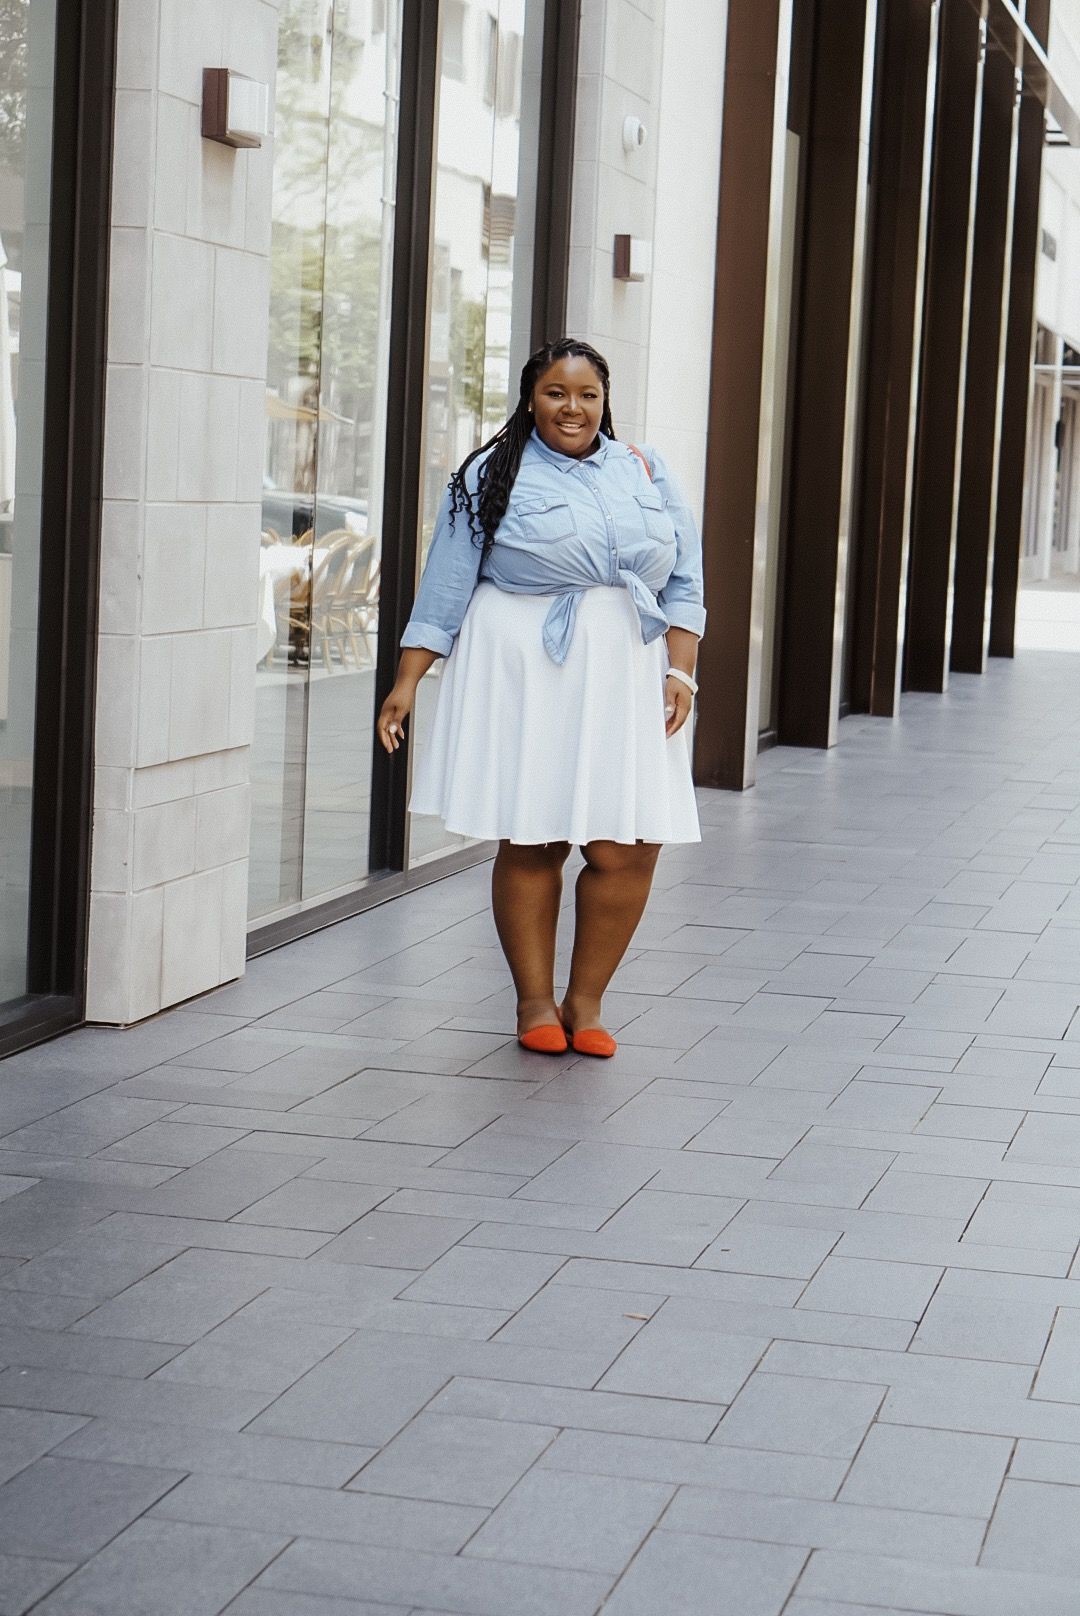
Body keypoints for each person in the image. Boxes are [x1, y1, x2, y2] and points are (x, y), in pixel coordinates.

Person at [376, 338, 705, 1058]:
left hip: (626, 670)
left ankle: (585, 1003)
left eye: (587, 395)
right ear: (531, 398)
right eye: (557, 392)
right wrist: (407, 680)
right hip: (525, 667)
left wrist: (681, 673)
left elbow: (685, 580)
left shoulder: (645, 469)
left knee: (630, 844)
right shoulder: (491, 472)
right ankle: (534, 1004)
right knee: (534, 834)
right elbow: (446, 583)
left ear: (605, 401)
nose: (573, 407)